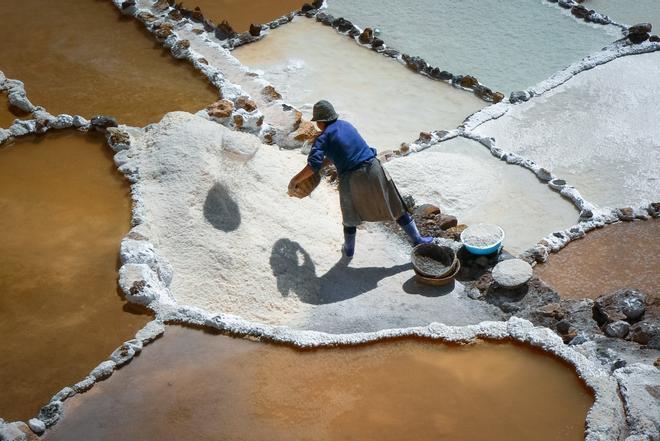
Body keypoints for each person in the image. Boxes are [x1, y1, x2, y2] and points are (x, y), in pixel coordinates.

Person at [288, 100, 433, 258]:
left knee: (349, 215)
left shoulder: (322, 138)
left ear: (320, 122)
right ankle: (417, 239)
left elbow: (313, 166)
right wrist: (325, 160)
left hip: (352, 177)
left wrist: (294, 180)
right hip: (374, 167)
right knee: (395, 205)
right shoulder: (346, 125)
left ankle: (349, 250)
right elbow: (344, 151)